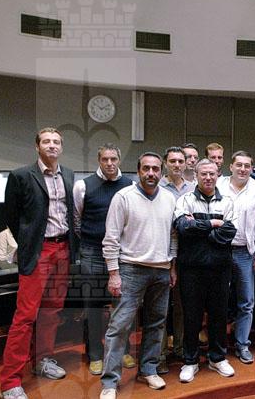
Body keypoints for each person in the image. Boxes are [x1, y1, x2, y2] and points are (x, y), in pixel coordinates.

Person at [0, 127, 77, 399]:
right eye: (46, 141)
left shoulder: (68, 175)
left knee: (51, 310)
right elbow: (11, 216)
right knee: (25, 316)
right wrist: (28, 242)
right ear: (37, 146)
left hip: (63, 248)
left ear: (61, 147)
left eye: (56, 142)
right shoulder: (21, 175)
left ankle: (42, 360)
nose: (52, 145)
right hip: (38, 251)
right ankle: (10, 381)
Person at [99, 152, 177, 399]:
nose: (151, 173)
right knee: (119, 326)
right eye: (146, 168)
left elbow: (173, 236)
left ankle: (148, 369)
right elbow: (111, 239)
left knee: (156, 323)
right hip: (131, 269)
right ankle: (110, 382)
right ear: (138, 170)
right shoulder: (123, 197)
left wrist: (172, 266)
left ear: (161, 171)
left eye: (155, 169)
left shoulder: (169, 198)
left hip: (162, 269)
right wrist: (114, 273)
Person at [73, 143, 134, 376]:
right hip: (92, 252)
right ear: (99, 160)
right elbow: (77, 220)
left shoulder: (129, 185)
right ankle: (96, 354)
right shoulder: (83, 186)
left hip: (121, 253)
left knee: (122, 305)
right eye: (105, 159)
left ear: (119, 160)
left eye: (113, 159)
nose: (109, 163)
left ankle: (122, 350)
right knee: (94, 305)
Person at [176, 159, 237, 382]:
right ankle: (190, 361)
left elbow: (229, 233)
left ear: (218, 175)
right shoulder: (185, 200)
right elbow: (183, 228)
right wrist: (213, 224)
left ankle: (217, 358)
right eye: (204, 174)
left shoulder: (228, 201)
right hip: (191, 269)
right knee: (191, 316)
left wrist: (199, 229)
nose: (208, 178)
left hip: (220, 269)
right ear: (196, 175)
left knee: (219, 315)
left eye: (212, 173)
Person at [217, 151, 255, 364]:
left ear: (251, 168)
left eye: (247, 166)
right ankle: (218, 346)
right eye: (238, 165)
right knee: (218, 300)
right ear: (230, 166)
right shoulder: (219, 185)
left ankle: (242, 344)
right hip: (220, 250)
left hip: (245, 252)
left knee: (246, 301)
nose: (243, 169)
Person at [157, 146, 195, 373]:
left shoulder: (193, 189)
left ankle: (180, 348)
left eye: (181, 161)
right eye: (173, 161)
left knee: (183, 306)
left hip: (187, 255)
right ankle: (160, 354)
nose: (177, 165)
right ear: (165, 163)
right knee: (160, 308)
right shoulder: (157, 187)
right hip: (161, 254)